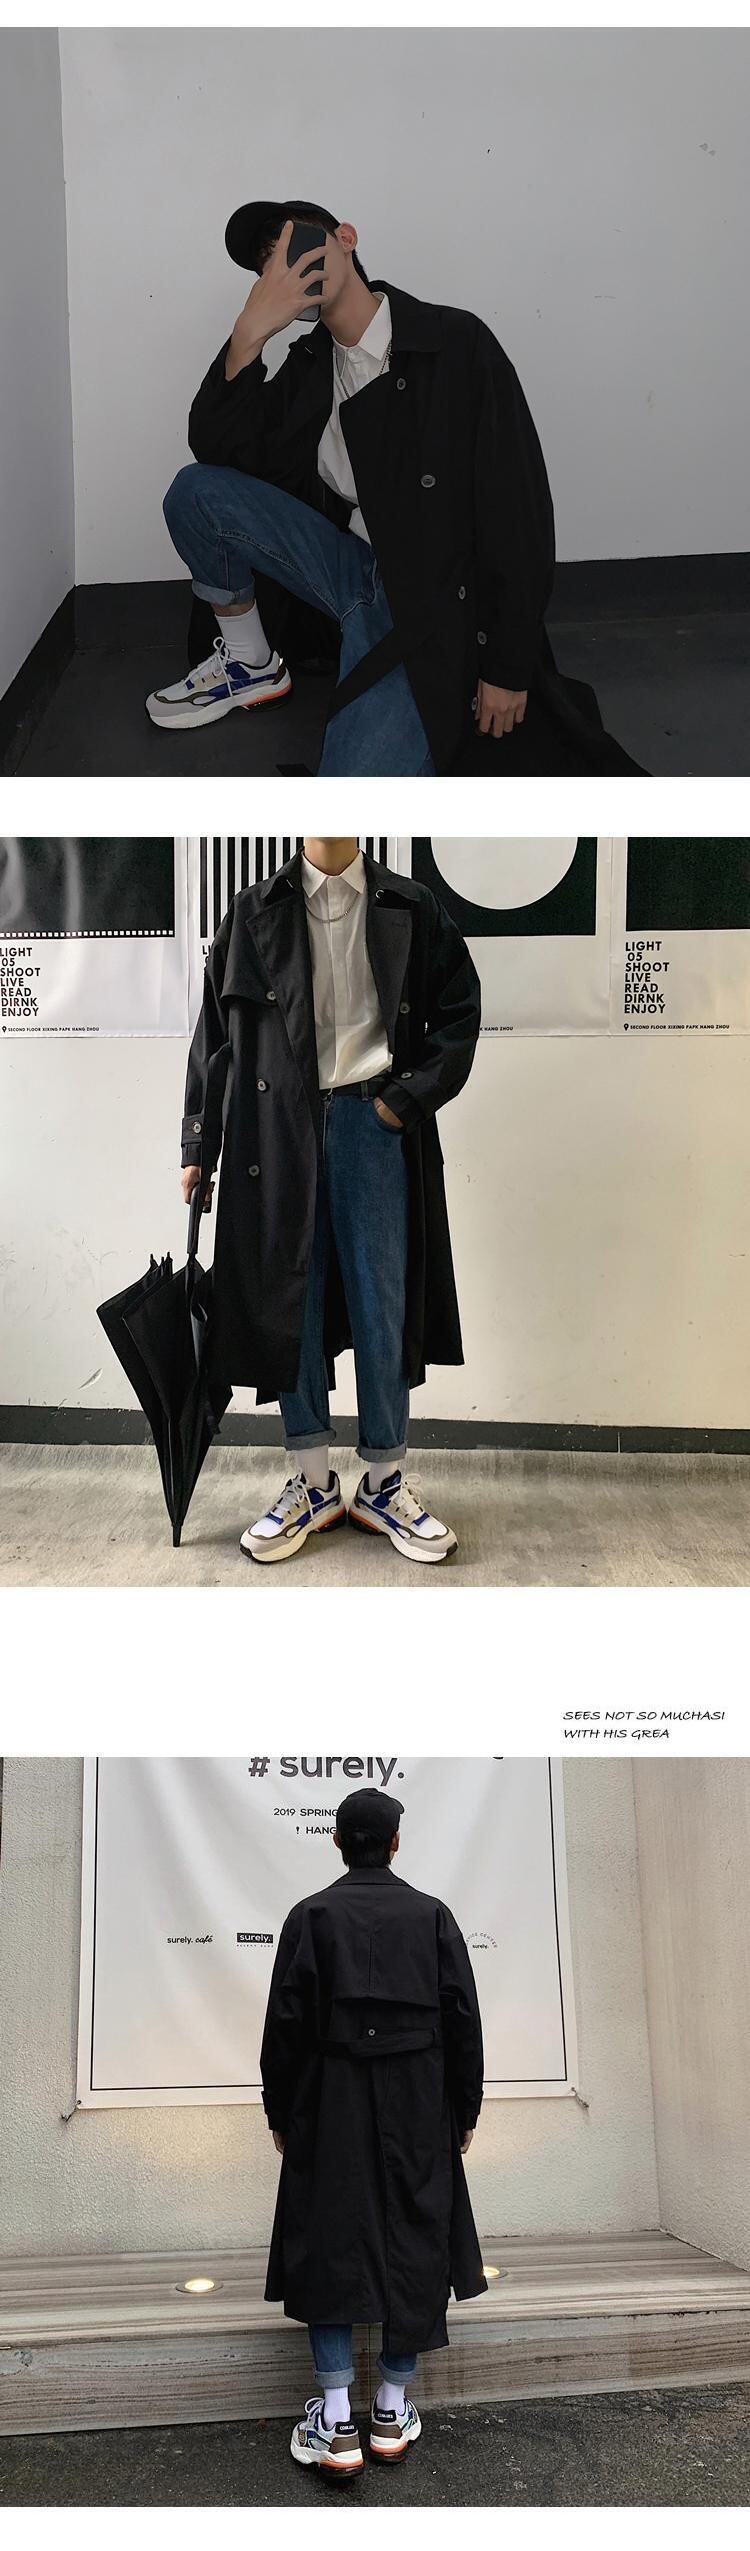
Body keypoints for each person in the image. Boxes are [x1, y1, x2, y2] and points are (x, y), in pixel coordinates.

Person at [148, 196, 643, 776]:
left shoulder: (454, 342)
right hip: (350, 568)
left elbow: (518, 507)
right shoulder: (311, 365)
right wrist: (248, 334)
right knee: (196, 492)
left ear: (346, 239)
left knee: (358, 784)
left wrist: (506, 667)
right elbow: (220, 451)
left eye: (297, 244)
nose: (290, 266)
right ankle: (250, 663)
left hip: (428, 601)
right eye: (271, 265)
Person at [181, 838, 481, 1565]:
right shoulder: (252, 911)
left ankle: (384, 1481)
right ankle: (312, 1482)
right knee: (294, 1300)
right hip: (276, 1130)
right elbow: (215, 1038)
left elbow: (460, 1014)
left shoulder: (411, 905)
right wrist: (199, 1144)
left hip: (372, 1122)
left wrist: (401, 1103)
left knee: (383, 1301)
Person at [260, 1785, 486, 2478]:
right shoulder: (433, 1916)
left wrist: (281, 2113)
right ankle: (390, 2409)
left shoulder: (310, 1915)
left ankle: (335, 2423)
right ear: (394, 1843)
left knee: (329, 2238)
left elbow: (284, 2028)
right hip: (418, 2102)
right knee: (417, 2232)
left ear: (336, 1841)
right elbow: (463, 2021)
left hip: (329, 2103)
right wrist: (465, 2110)